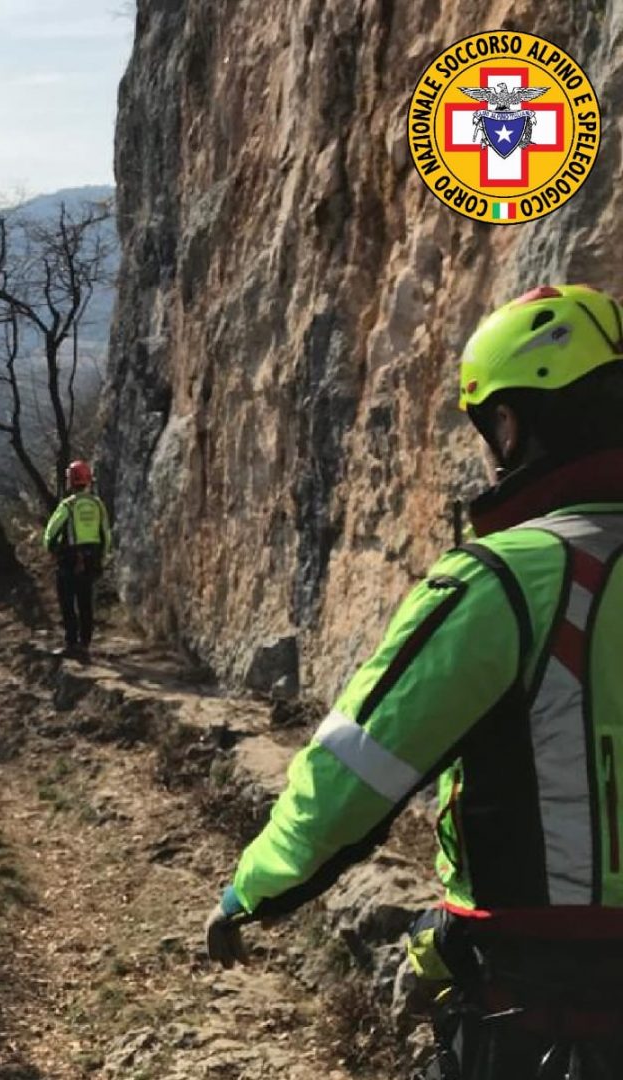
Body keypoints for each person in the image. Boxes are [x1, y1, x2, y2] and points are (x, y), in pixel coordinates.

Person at [202, 284, 623, 1077]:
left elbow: (356, 767)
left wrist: (253, 890)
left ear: (512, 425)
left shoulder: (505, 580)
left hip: (543, 1005)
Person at [43, 459, 112, 659]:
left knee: (67, 602)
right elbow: (106, 534)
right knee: (85, 602)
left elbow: (51, 532)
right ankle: (85, 643)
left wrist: (51, 549)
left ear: (70, 481)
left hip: (69, 560)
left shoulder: (68, 505)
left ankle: (71, 642)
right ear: (88, 480)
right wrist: (101, 556)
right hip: (91, 560)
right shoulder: (97, 504)